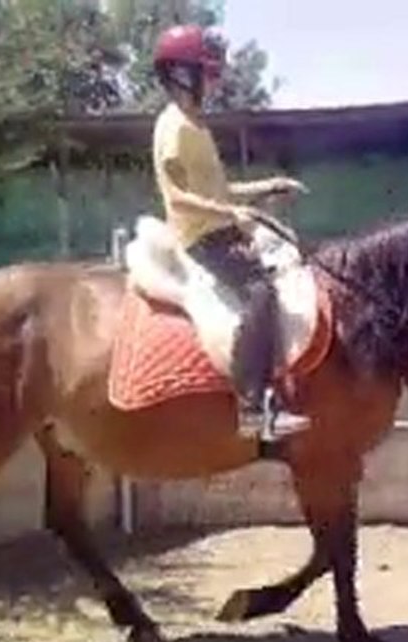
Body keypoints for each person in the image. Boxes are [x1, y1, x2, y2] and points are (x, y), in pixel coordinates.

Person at [151, 23, 311, 441]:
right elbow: (176, 195)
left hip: (221, 226)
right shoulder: (175, 127)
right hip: (202, 238)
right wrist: (230, 210)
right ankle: (251, 407)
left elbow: (220, 189)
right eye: (208, 72)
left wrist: (268, 186)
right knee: (261, 292)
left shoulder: (197, 126)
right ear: (183, 74)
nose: (214, 81)